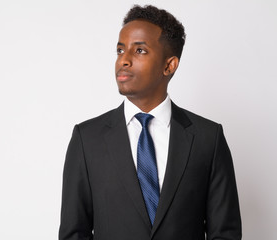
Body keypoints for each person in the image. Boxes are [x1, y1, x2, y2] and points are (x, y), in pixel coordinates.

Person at [59, 5, 241, 240]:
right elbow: (74, 233)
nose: (123, 60)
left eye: (140, 51)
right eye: (120, 50)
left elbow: (225, 233)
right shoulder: (87, 139)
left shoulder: (208, 138)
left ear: (169, 65)